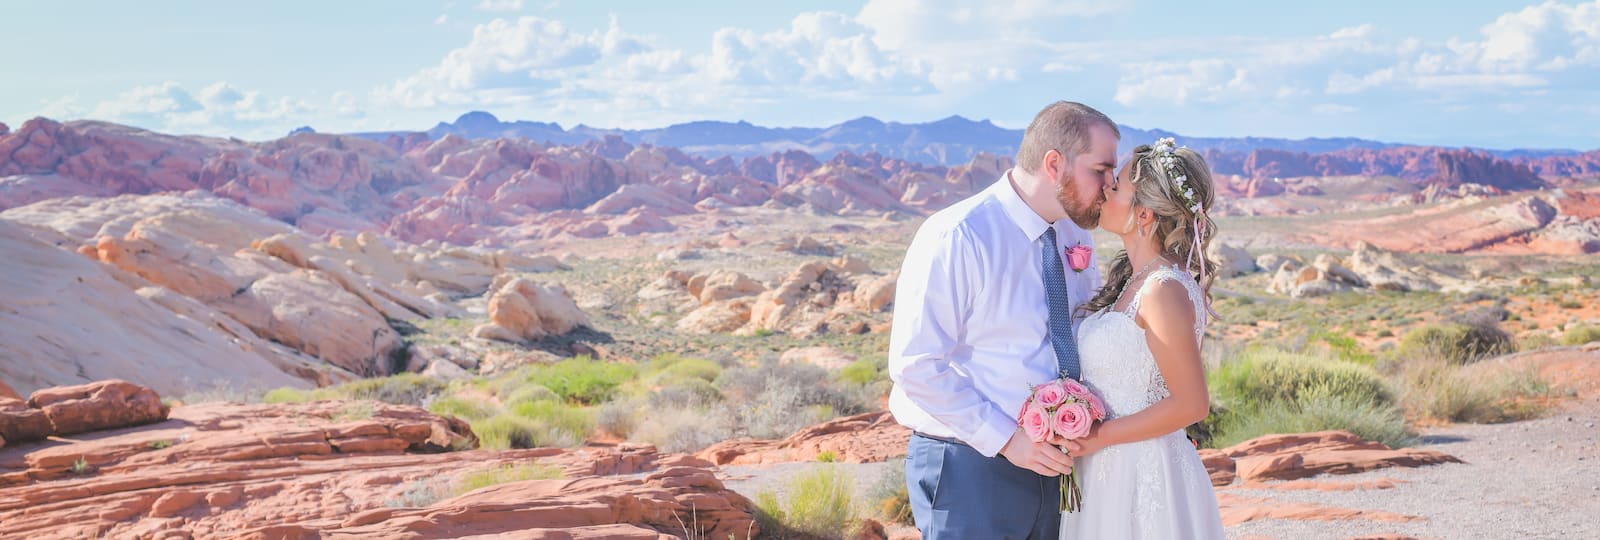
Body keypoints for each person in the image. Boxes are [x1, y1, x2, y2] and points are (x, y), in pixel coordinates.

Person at [887, 101, 1118, 539]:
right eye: (1100, 170)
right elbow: (915, 364)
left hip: (1058, 465)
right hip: (971, 465)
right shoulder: (958, 236)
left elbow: (1083, 332)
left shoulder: (1074, 234)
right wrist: (1008, 440)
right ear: (1054, 164)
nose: (1111, 185)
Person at [1056, 138, 1226, 538]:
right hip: (1108, 469)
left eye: (1117, 187)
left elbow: (1191, 403)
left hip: (1142, 473)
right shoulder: (1135, 282)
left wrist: (1098, 436)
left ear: (1144, 214)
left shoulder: (1162, 289)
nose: (1105, 189)